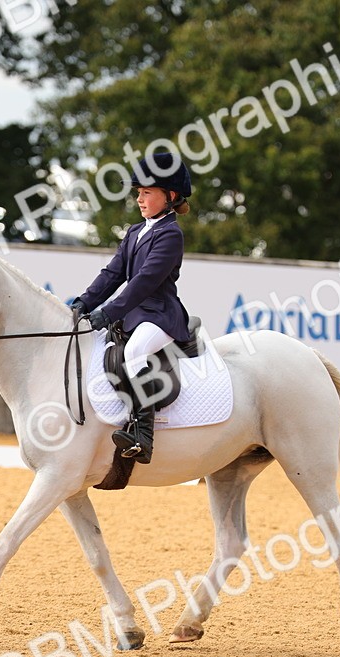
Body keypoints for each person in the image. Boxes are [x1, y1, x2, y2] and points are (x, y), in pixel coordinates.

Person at [69, 151, 193, 464]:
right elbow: (113, 273)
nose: (139, 199)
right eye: (138, 193)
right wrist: (86, 301)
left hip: (159, 315)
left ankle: (142, 431)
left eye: (147, 193)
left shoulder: (171, 235)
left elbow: (144, 282)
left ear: (170, 196)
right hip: (134, 314)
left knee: (135, 350)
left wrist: (108, 313)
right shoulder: (136, 232)